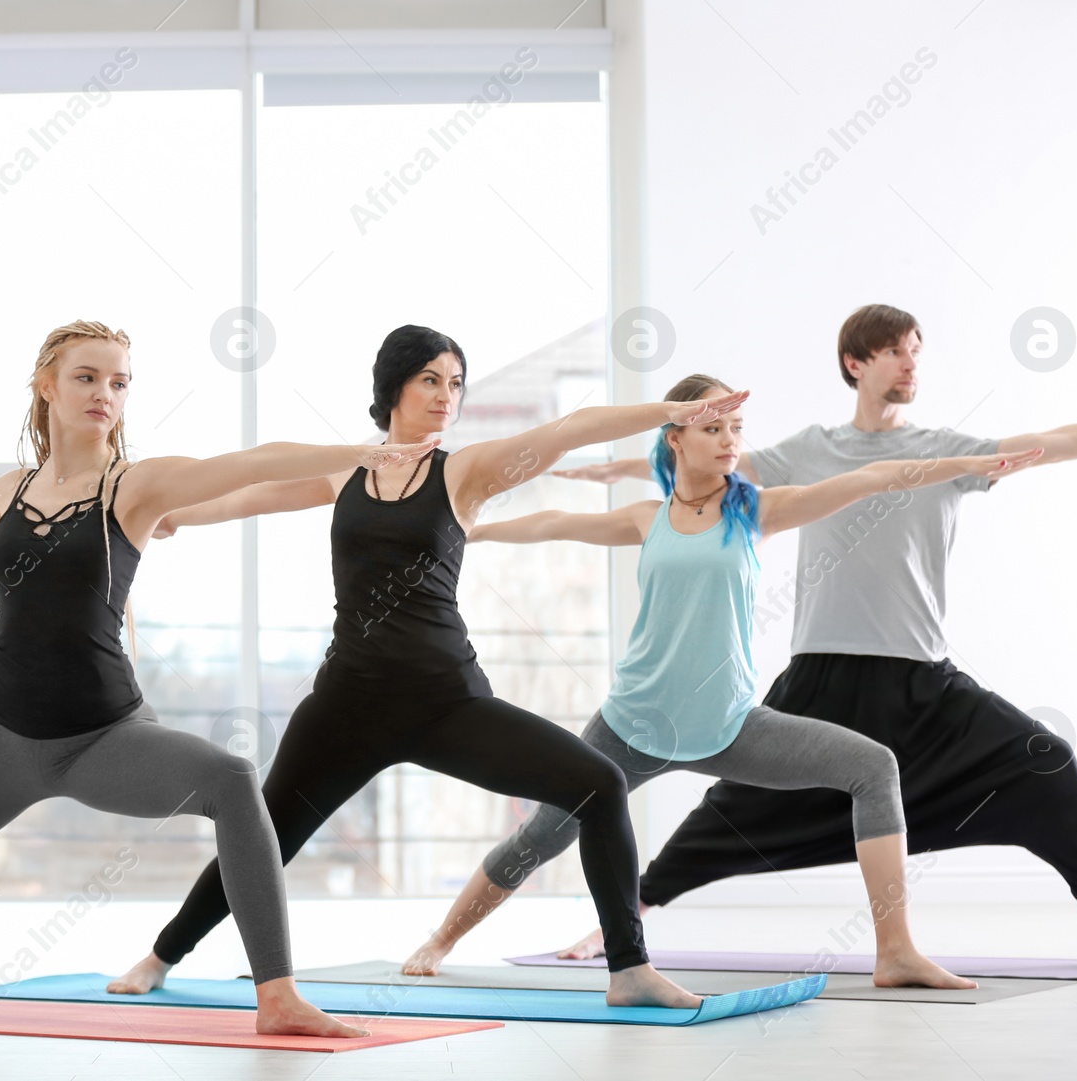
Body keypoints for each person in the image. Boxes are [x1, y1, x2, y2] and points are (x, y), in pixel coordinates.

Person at [0, 319, 440, 1038]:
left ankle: (277, 993)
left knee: (229, 777)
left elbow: (251, 461)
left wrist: (361, 452)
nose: (106, 393)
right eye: (87, 377)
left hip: (104, 739)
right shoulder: (13, 490)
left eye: (120, 382)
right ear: (46, 385)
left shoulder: (134, 487)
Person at [547, 304, 1077, 965]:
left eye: (916, 351)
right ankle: (621, 920)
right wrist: (615, 467)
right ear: (855, 361)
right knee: (731, 811)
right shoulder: (807, 452)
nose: (910, 363)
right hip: (822, 672)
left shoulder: (943, 452)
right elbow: (699, 468)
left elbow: (1053, 444)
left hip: (921, 677)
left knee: (1047, 760)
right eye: (894, 351)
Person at [109, 325, 749, 1008]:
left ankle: (629, 967)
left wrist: (669, 413)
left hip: (447, 702)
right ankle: (160, 954)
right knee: (266, 831)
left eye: (456, 383)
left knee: (598, 783)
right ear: (394, 387)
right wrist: (167, 515)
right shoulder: (345, 468)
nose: (447, 396)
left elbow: (570, 429)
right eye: (431, 380)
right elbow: (247, 493)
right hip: (346, 704)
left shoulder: (463, 471)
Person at [401, 373, 1045, 987]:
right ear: (676, 438)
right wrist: (461, 531)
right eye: (714, 428)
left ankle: (897, 951)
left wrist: (963, 465)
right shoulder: (643, 518)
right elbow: (547, 526)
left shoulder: (758, 511)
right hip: (634, 725)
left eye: (737, 427)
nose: (731, 439)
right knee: (541, 835)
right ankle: (441, 940)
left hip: (729, 726)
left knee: (873, 768)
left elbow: (875, 478)